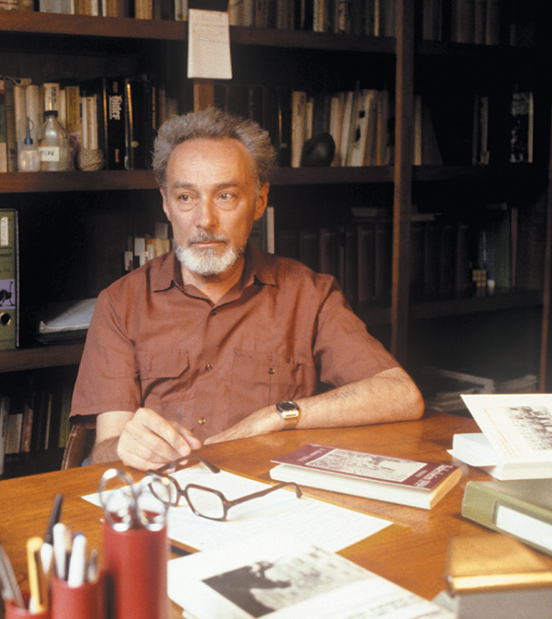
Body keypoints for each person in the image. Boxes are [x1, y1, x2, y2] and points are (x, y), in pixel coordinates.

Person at [70, 108, 424, 471]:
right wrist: (127, 448)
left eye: (225, 196)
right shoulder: (121, 303)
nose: (204, 220)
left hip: (271, 500)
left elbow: (401, 394)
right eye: (186, 197)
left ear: (259, 201)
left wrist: (276, 416)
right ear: (166, 204)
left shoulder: (309, 294)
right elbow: (103, 452)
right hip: (167, 503)